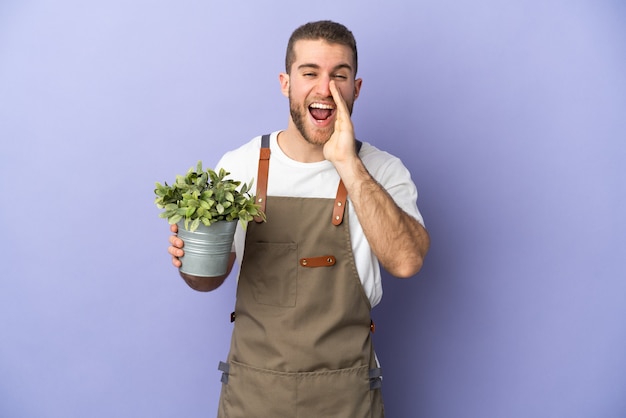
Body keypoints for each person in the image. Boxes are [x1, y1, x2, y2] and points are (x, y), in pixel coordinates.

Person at [167, 20, 430, 418]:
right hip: (252, 397)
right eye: (310, 73)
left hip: (347, 400)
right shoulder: (237, 168)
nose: (324, 89)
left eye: (339, 75)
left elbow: (407, 261)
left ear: (355, 88)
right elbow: (208, 280)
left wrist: (347, 164)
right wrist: (191, 259)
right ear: (285, 82)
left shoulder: (383, 170)